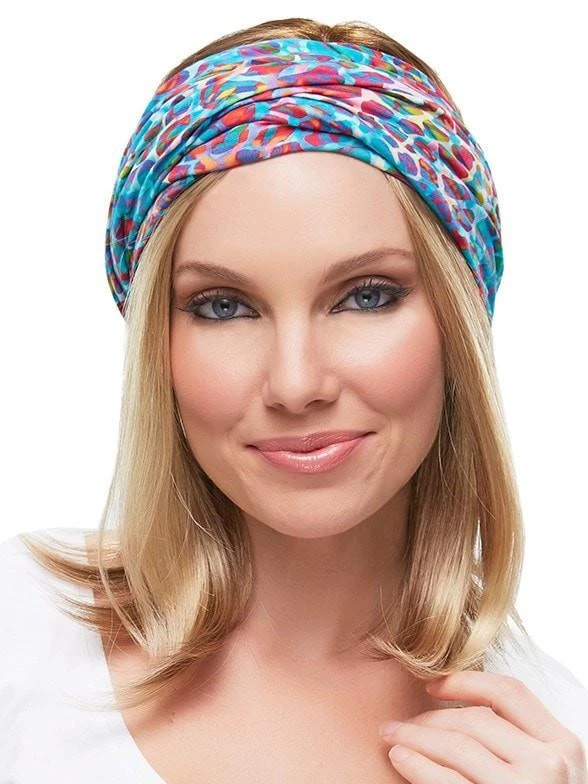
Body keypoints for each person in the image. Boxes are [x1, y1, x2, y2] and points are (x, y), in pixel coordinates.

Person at [1, 16, 586, 784]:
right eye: (222, 306)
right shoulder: (20, 633)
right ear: (156, 346)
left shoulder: (549, 743)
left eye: (366, 295)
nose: (297, 384)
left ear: (457, 323)